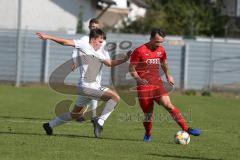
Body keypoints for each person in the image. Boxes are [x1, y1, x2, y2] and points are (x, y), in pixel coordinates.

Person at [36, 29, 131, 138]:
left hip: (86, 89)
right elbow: (65, 42)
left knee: (75, 114)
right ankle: (99, 122)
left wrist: (125, 59)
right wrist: (48, 36)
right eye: (100, 42)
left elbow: (109, 63)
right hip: (88, 87)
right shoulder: (84, 45)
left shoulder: (99, 52)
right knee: (115, 98)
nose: (101, 44)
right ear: (93, 39)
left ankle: (49, 125)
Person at [129, 28, 201, 142]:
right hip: (144, 87)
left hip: (157, 84)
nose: (159, 44)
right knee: (148, 115)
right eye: (157, 41)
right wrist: (138, 79)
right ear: (151, 38)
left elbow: (164, 63)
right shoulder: (139, 51)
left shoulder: (161, 50)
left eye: (161, 42)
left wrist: (168, 75)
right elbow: (131, 69)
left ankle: (186, 128)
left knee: (168, 105)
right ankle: (148, 134)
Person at [71, 18, 109, 123]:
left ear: (99, 27)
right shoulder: (84, 39)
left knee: (92, 89)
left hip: (97, 65)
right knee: (91, 88)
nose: (94, 28)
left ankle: (85, 113)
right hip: (86, 65)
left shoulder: (102, 40)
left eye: (96, 27)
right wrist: (75, 61)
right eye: (92, 27)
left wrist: (108, 61)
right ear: (89, 27)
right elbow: (76, 49)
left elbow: (104, 52)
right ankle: (92, 115)